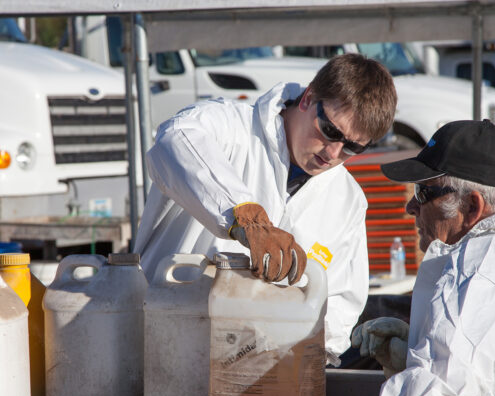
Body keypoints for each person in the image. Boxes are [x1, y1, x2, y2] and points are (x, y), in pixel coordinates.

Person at [238, 119, 495, 396]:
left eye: (424, 193)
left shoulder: (482, 265)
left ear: (473, 206)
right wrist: (414, 349)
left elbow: (448, 381)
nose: (411, 206)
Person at [134, 54, 397, 360]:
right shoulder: (230, 129)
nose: (333, 153)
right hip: (166, 348)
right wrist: (244, 217)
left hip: (261, 377)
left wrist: (306, 358)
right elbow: (175, 141)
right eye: (330, 131)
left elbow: (338, 302)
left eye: (353, 147)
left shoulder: (347, 200)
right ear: (308, 97)